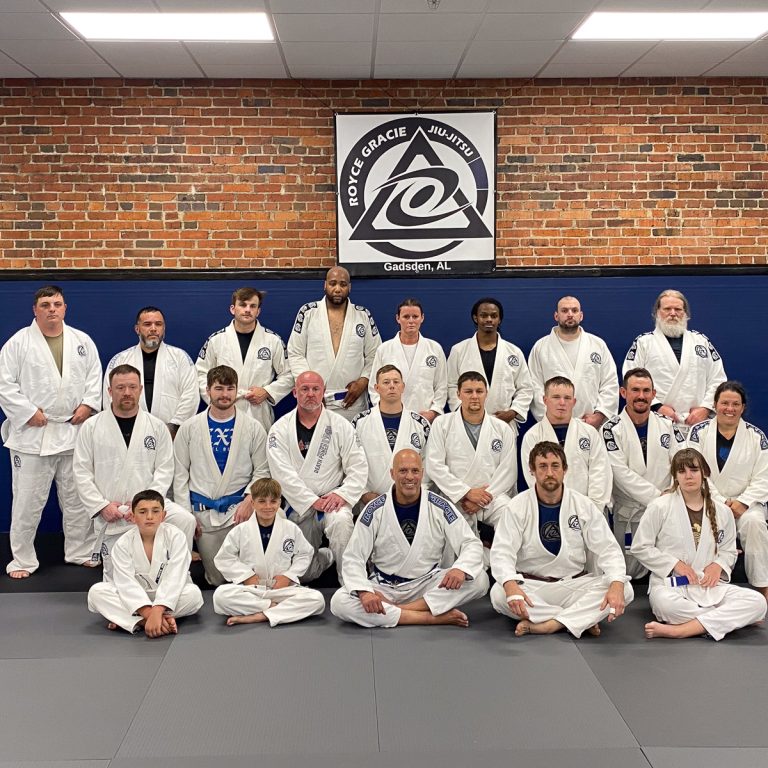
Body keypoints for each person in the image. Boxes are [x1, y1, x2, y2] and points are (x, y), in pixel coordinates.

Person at [0, 285, 102, 578]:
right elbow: (4, 384)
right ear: (35, 310)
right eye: (45, 305)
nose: (52, 309)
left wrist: (89, 405)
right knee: (27, 502)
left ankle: (79, 550)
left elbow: (95, 376)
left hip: (72, 431)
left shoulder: (82, 341)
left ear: (65, 308)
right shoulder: (18, 343)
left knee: (76, 498)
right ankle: (22, 559)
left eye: (57, 304)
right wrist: (27, 412)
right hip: (33, 435)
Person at [330, 449, 488, 628]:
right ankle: (429, 617)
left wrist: (460, 568)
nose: (410, 477)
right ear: (392, 474)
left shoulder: (440, 506)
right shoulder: (374, 509)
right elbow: (354, 556)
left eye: (415, 471)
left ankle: (402, 610)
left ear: (422, 473)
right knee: (339, 601)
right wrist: (365, 592)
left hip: (426, 584)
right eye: (403, 471)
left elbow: (470, 543)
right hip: (384, 587)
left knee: (479, 580)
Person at [490, 441, 633, 637]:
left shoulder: (583, 505)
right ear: (532, 470)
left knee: (625, 588)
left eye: (555, 466)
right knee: (499, 594)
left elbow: (608, 549)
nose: (549, 472)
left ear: (565, 469)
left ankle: (551, 624)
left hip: (574, 585)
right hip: (533, 586)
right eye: (542, 466)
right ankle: (580, 619)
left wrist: (616, 583)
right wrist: (510, 584)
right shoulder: (516, 506)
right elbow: (502, 552)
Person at [73, 364, 196, 578]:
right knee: (119, 579)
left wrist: (145, 502)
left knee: (185, 520)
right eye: (120, 388)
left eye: (132, 387)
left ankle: (177, 575)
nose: (127, 392)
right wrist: (101, 506)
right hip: (113, 511)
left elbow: (165, 469)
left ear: (140, 389)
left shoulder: (157, 426)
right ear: (110, 391)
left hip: (148, 506)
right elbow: (81, 472)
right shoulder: (91, 427)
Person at [631, 449, 766, 640]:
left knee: (758, 602)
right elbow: (640, 547)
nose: (688, 476)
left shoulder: (722, 511)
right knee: (667, 607)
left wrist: (717, 565)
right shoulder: (659, 506)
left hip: (708, 585)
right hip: (671, 586)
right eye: (682, 471)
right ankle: (731, 620)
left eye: (694, 470)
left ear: (704, 473)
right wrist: (675, 564)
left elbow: (728, 551)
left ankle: (682, 630)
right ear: (675, 476)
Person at [266, 370, 367, 582]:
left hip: (332, 501)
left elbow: (358, 466)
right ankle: (324, 558)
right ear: (295, 393)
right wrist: (312, 501)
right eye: (304, 389)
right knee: (302, 575)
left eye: (315, 389)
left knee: (342, 523)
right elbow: (281, 474)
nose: (310, 394)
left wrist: (341, 495)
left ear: (323, 392)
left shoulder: (341, 425)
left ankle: (349, 582)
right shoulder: (279, 429)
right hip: (298, 504)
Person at [173, 365, 269, 586]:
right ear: (207, 390)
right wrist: (188, 516)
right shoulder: (189, 428)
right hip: (203, 514)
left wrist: (249, 501)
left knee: (249, 575)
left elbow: (262, 471)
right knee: (218, 579)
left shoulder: (254, 428)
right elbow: (179, 475)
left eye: (230, 388)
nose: (224, 394)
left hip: (240, 512)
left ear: (237, 391)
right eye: (218, 388)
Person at [687, 381, 768, 600]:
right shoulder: (698, 432)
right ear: (715, 405)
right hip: (707, 501)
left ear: (743, 407)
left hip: (745, 505)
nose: (729, 409)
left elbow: (763, 476)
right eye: (724, 403)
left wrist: (743, 502)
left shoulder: (756, 437)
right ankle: (701, 586)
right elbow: (693, 471)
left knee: (755, 523)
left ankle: (762, 586)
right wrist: (720, 502)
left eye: (735, 404)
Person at [602, 368, 686, 578]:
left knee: (667, 569)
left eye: (646, 390)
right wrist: (657, 496)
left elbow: (682, 462)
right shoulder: (610, 429)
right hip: (629, 512)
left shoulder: (668, 425)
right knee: (627, 573)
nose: (641, 396)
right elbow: (619, 473)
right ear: (623, 392)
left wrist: (669, 495)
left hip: (666, 510)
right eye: (635, 390)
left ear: (653, 394)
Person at [87, 490, 203, 637]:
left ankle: (130, 619)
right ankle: (151, 621)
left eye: (155, 511)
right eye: (142, 512)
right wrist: (148, 613)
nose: (149, 517)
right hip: (137, 598)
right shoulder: (123, 544)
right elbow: (126, 583)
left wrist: (158, 608)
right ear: (133, 517)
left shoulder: (176, 537)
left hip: (169, 596)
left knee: (193, 595)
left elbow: (176, 576)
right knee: (96, 592)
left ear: (163, 515)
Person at [212, 478, 326, 626]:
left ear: (279, 503)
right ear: (252, 503)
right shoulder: (240, 530)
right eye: (262, 501)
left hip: (281, 589)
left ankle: (260, 614)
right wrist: (246, 575)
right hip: (252, 590)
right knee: (220, 596)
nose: (268, 506)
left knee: (317, 599)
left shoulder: (290, 528)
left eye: (273, 501)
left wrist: (288, 576)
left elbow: (304, 554)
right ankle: (274, 609)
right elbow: (224, 558)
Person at [425, 371, 517, 539]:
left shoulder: (502, 429)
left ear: (486, 393)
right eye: (468, 391)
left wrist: (482, 499)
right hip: (455, 497)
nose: (474, 396)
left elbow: (508, 471)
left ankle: (502, 555)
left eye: (479, 391)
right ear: (458, 394)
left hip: (492, 498)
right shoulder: (442, 424)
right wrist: (466, 493)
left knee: (511, 515)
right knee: (448, 531)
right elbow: (434, 466)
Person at [622, 289, 726, 431]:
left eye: (678, 309)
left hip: (698, 422)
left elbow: (718, 378)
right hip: (657, 420)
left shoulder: (701, 341)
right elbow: (630, 379)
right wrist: (656, 406)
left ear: (685, 314)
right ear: (657, 313)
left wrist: (706, 407)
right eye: (667, 309)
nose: (673, 313)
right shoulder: (643, 342)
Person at [287, 266, 380, 421]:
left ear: (349, 287)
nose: (337, 289)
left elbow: (375, 354)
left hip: (353, 401)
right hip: (315, 401)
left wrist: (363, 381)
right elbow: (295, 352)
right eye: (333, 283)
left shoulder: (363, 315)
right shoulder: (308, 312)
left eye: (343, 284)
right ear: (325, 285)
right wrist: (310, 388)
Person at [195, 287, 293, 432]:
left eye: (253, 306)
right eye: (243, 305)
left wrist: (267, 391)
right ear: (232, 309)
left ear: (258, 311)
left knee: (258, 445)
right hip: (223, 409)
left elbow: (289, 374)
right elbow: (200, 374)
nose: (247, 310)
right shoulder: (216, 340)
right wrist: (217, 396)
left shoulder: (273, 341)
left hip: (258, 412)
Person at [102, 306, 198, 438]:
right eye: (147, 324)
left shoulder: (180, 358)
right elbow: (110, 397)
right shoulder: (120, 360)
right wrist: (122, 427)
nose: (153, 328)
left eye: (158, 324)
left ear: (164, 328)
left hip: (173, 435)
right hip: (128, 433)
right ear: (137, 329)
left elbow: (191, 395)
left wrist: (174, 426)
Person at [521, 376, 612, 513]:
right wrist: (555, 506)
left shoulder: (589, 433)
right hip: (550, 509)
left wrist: (592, 510)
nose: (562, 403)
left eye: (567, 398)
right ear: (545, 400)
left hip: (590, 510)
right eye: (556, 397)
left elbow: (600, 472)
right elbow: (533, 476)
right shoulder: (532, 436)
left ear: (574, 402)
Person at [528, 295, 618, 427]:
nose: (570, 314)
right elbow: (535, 387)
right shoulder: (541, 347)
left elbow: (610, 383)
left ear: (581, 316)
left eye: (574, 311)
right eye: (564, 311)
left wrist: (599, 415)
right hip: (553, 425)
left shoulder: (597, 345)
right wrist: (550, 419)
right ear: (556, 316)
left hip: (591, 424)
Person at [446, 297, 532, 431]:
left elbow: (525, 388)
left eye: (494, 316)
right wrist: (462, 411)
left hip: (503, 422)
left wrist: (513, 412)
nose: (489, 319)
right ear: (475, 318)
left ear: (499, 319)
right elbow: (451, 385)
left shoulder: (514, 352)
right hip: (467, 422)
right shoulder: (459, 350)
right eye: (483, 315)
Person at [353, 365, 430, 506]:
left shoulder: (420, 423)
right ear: (376, 388)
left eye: (396, 382)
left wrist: (416, 494)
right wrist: (363, 493)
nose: (392, 386)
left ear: (403, 387)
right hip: (370, 501)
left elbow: (428, 464)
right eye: (386, 382)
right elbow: (351, 462)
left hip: (412, 500)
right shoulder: (359, 422)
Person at [368, 298, 446, 422]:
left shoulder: (434, 349)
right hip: (391, 416)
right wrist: (386, 411)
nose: (411, 321)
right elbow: (374, 386)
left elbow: (441, 386)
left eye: (415, 316)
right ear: (398, 318)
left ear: (422, 318)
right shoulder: (384, 350)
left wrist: (433, 412)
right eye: (406, 317)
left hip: (425, 417)